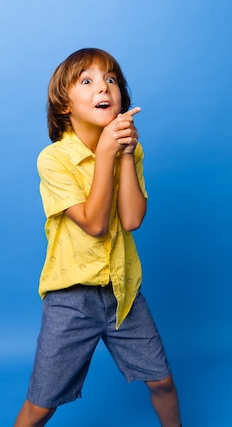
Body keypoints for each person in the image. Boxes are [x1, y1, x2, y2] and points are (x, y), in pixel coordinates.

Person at [14, 48, 181, 426]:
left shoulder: (130, 151)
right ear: (63, 106)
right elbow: (94, 223)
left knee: (163, 382)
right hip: (71, 299)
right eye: (86, 81)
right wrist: (106, 152)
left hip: (122, 293)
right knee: (41, 405)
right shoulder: (53, 159)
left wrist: (123, 153)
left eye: (110, 79)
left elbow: (133, 219)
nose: (103, 86)